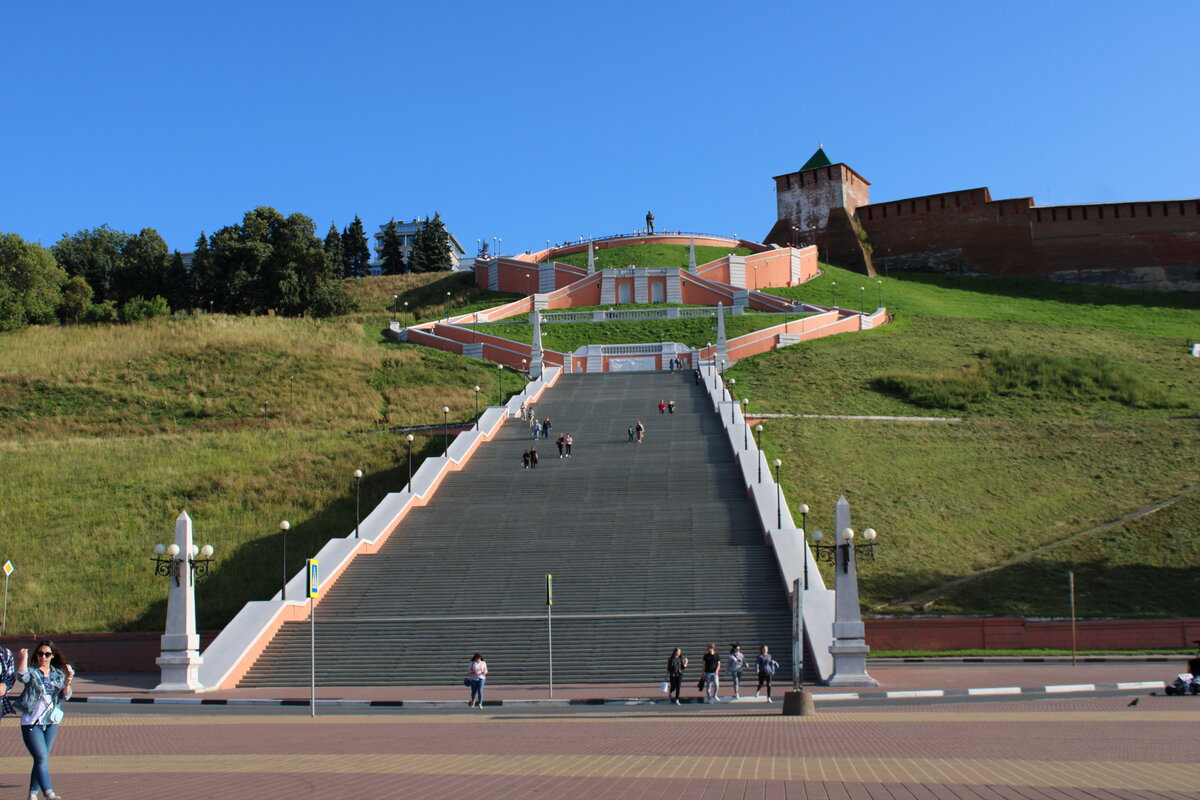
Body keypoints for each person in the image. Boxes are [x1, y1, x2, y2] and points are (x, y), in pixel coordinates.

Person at [14, 641, 73, 800]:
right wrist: (24, 658)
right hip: (31, 722)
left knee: (42, 759)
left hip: (51, 722)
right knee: (41, 758)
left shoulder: (58, 673)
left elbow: (65, 696)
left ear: (52, 656)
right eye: (40, 654)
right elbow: (21, 676)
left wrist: (68, 681)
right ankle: (49, 793)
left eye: (47, 654)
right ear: (36, 655)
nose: (43, 657)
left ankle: (33, 794)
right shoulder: (32, 671)